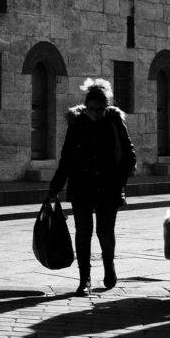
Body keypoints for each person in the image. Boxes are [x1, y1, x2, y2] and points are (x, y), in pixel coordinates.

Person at [47, 78, 137, 295]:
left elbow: (129, 155)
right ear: (86, 106)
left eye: (100, 109)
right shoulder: (77, 124)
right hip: (81, 185)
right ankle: (84, 278)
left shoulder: (114, 122)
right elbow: (66, 159)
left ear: (107, 107)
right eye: (92, 109)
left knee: (105, 231)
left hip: (109, 186)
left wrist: (119, 181)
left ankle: (109, 266)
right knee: (83, 232)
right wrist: (54, 189)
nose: (96, 113)